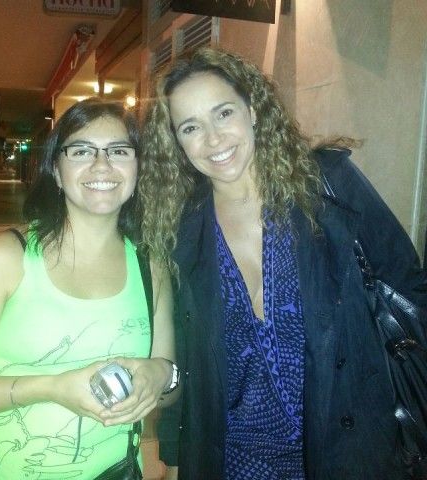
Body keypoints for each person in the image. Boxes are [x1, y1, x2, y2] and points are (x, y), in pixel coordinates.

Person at [138, 47, 427, 479]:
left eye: (223, 113)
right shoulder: (181, 230)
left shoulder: (325, 185)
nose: (213, 139)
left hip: (346, 448)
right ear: (177, 142)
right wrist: (176, 455)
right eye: (191, 127)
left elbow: (408, 285)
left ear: (253, 111)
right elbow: (187, 356)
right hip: (235, 459)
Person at [0, 97, 179, 479]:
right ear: (56, 170)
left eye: (119, 151)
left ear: (138, 167)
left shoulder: (150, 266)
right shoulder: (5, 258)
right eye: (82, 151)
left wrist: (160, 376)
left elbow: (170, 385)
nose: (101, 164)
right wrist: (51, 388)